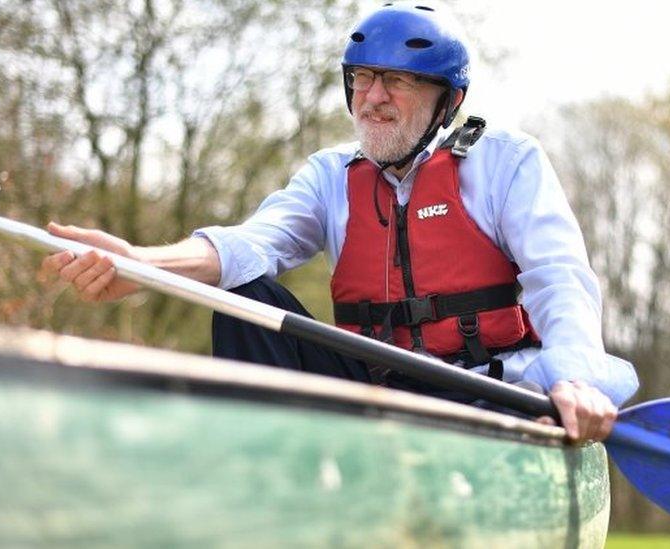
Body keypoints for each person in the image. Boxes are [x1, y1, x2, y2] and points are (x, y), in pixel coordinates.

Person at [39, 2, 638, 442]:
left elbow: (560, 278)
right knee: (243, 296)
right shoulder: (330, 176)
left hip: (486, 389)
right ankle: (264, 466)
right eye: (363, 78)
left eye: (397, 81)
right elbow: (252, 245)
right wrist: (141, 264)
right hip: (372, 388)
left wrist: (577, 377)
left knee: (530, 396)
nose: (372, 97)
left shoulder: (506, 163)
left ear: (448, 102)